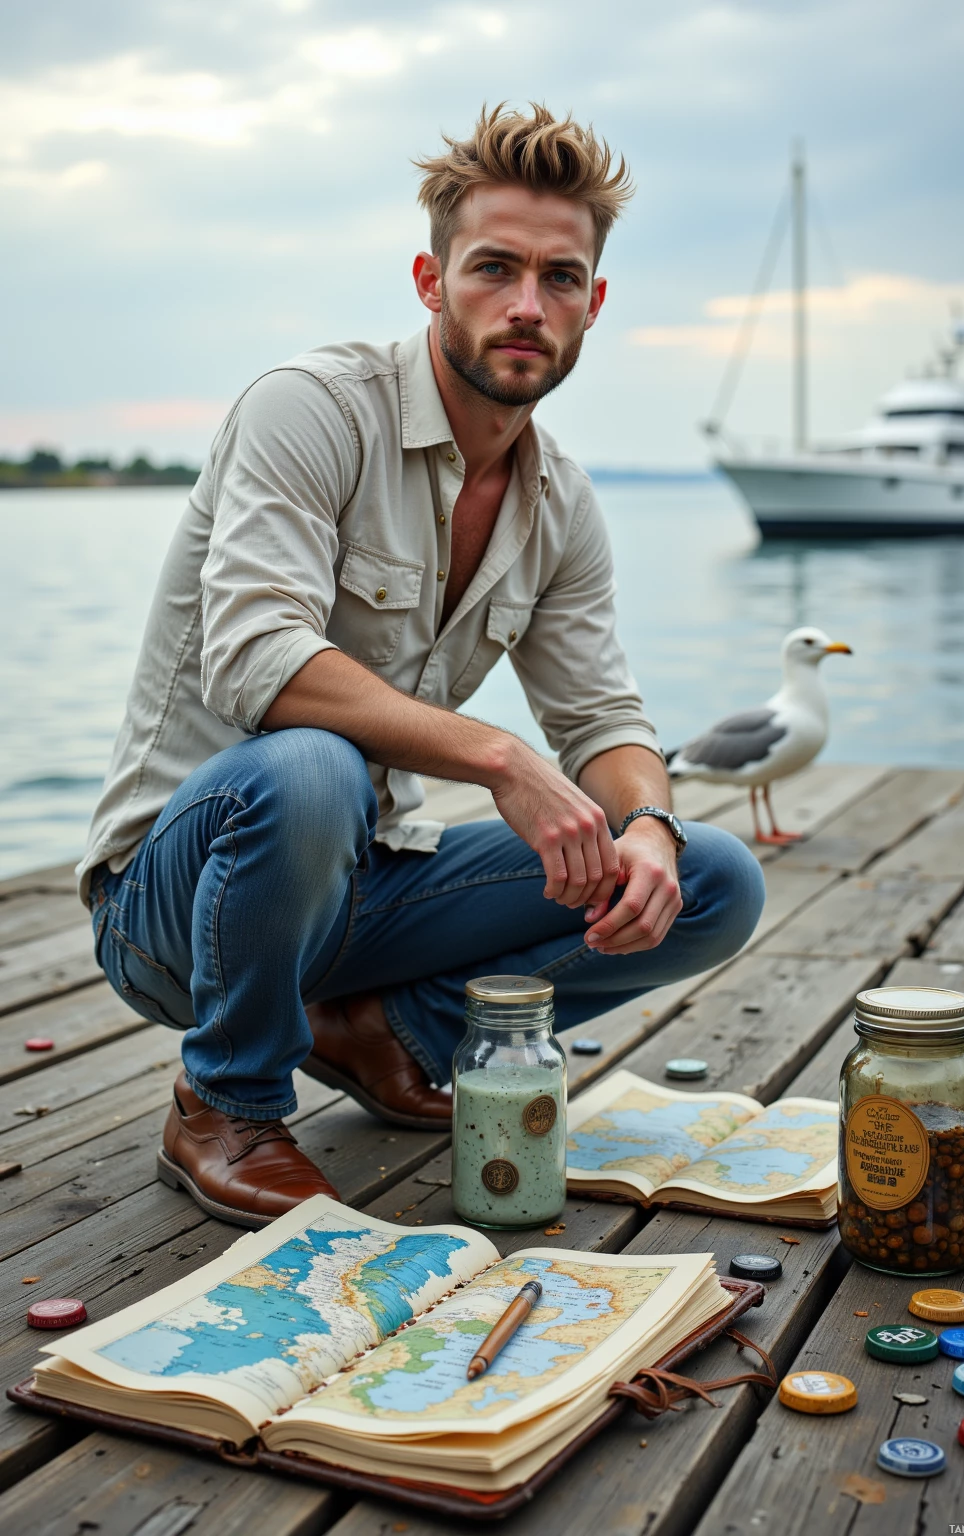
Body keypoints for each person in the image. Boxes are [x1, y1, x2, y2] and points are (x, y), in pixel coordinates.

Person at [78, 104, 765, 1228]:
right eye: (494, 268)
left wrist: (644, 824)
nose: (526, 305)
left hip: (360, 892)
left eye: (560, 277)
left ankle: (383, 1032)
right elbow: (260, 659)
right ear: (430, 279)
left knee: (712, 877)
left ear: (595, 302)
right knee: (308, 765)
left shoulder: (561, 500)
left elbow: (604, 719)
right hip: (173, 906)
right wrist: (501, 758)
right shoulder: (309, 410)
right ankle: (226, 1100)